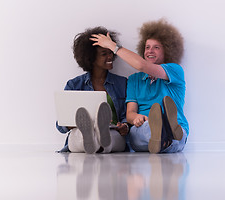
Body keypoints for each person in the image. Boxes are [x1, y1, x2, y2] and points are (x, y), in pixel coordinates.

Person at [90, 19, 189, 154]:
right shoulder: (134, 80)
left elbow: (142, 65)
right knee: (140, 132)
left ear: (167, 51)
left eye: (156, 47)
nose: (150, 51)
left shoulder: (175, 70)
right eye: (147, 47)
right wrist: (136, 118)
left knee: (174, 136)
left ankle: (167, 132)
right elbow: (130, 113)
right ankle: (164, 135)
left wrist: (113, 46)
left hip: (175, 128)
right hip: (144, 127)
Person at [56, 26, 129, 154]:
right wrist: (74, 122)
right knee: (79, 135)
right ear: (91, 58)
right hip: (80, 131)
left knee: (109, 137)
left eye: (111, 52)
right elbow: (60, 126)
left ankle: (98, 137)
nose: (110, 56)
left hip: (113, 131)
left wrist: (124, 126)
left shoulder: (122, 83)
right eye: (104, 54)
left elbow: (126, 117)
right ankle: (91, 135)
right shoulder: (74, 85)